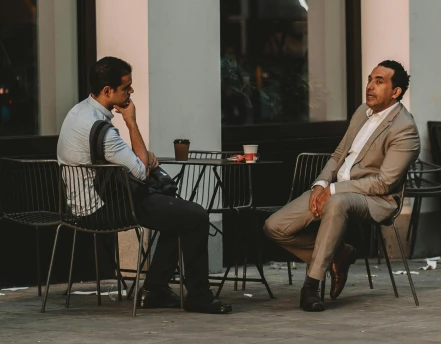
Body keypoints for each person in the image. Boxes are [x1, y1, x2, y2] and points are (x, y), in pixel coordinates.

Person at [57, 56, 232, 314]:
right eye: (126, 87)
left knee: (179, 213)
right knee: (195, 215)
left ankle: (156, 290)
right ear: (108, 91)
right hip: (103, 208)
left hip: (80, 204)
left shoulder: (78, 112)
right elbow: (139, 171)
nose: (131, 91)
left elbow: (131, 163)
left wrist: (141, 158)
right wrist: (131, 122)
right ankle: (198, 296)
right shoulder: (102, 129)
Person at [264, 60, 420, 312]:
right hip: (335, 188)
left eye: (379, 82)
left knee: (337, 202)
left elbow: (384, 183)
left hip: (377, 199)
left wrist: (334, 190)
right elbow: (339, 154)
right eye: (370, 79)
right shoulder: (362, 112)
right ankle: (339, 255)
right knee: (274, 227)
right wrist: (321, 183)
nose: (370, 86)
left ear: (396, 92)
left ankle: (311, 286)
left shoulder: (405, 130)